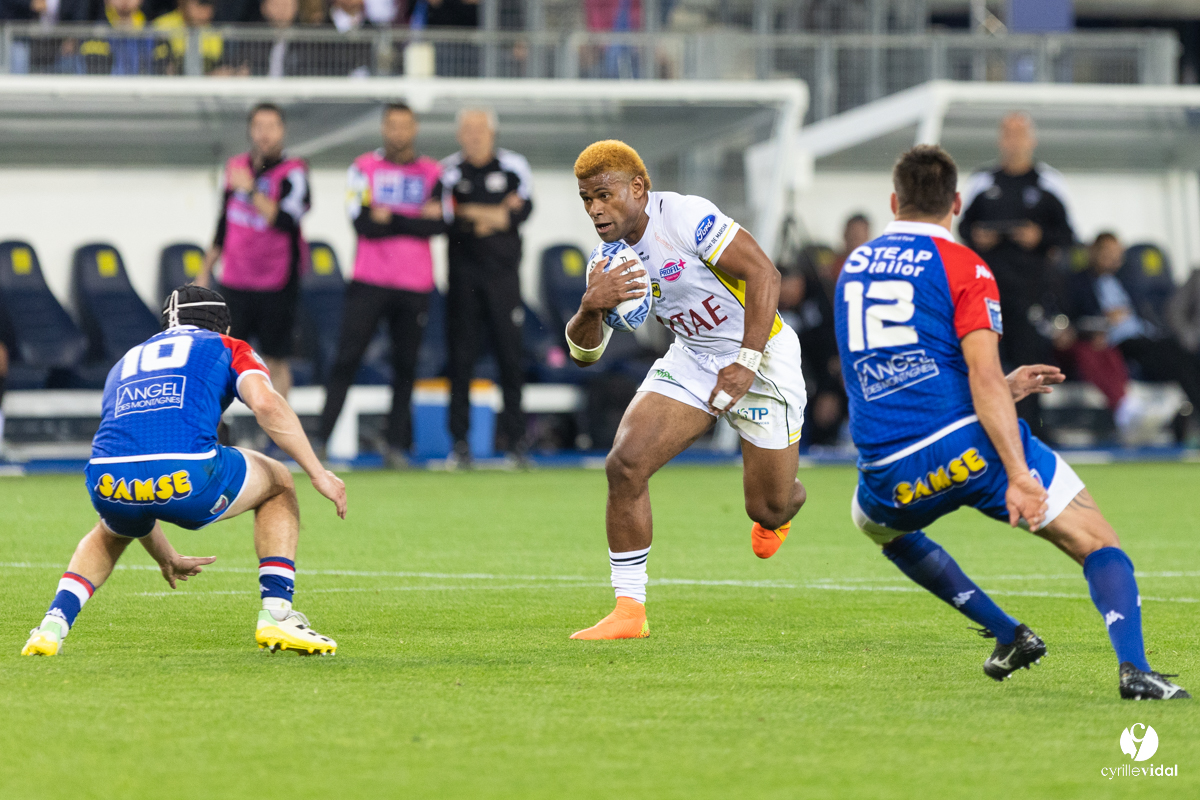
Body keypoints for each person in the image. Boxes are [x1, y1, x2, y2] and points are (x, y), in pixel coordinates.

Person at [835, 145, 1188, 700]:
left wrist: (1003, 387)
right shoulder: (965, 265)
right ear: (955, 203)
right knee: (1099, 544)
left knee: (872, 522)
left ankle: (1009, 635)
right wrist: (1019, 472)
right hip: (973, 451)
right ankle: (1135, 669)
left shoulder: (853, 267)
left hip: (888, 470)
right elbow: (978, 373)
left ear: (892, 201)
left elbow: (897, 373)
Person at [565, 140, 808, 640]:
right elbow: (584, 354)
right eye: (586, 199)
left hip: (763, 357)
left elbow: (766, 274)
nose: (594, 209)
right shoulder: (608, 261)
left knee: (767, 507)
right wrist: (591, 307)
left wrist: (746, 360)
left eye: (604, 195)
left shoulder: (686, 217)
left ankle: (786, 504)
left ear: (637, 187)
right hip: (694, 356)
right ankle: (629, 612)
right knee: (625, 464)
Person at [22, 286, 345, 658]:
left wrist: (165, 557)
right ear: (222, 325)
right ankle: (277, 613)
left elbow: (140, 462)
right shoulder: (228, 346)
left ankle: (51, 626)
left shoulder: (125, 360)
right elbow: (266, 404)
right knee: (278, 483)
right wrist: (318, 472)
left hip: (106, 477)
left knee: (109, 532)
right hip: (188, 474)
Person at [317, 103, 446, 467]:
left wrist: (390, 217)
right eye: (392, 125)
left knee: (406, 367)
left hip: (414, 284)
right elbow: (361, 223)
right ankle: (322, 441)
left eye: (405, 126)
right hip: (368, 280)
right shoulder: (363, 168)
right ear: (383, 128)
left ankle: (394, 446)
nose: (398, 133)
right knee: (346, 360)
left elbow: (439, 225)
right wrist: (415, 216)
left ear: (415, 128)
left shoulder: (433, 172)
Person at [959, 112, 1075, 436]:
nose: (1013, 141)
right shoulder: (983, 181)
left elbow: (1068, 237)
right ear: (1000, 139)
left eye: (1020, 134)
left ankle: (1029, 434)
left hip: (1031, 293)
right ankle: (987, 434)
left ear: (1031, 139)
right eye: (1007, 134)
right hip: (987, 293)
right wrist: (978, 236)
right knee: (986, 367)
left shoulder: (1049, 182)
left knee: (1029, 367)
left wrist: (1039, 237)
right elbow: (963, 227)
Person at [435, 109, 533, 468]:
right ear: (459, 135)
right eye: (468, 130)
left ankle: (517, 443)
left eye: (481, 129)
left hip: (504, 281)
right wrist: (493, 214)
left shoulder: (514, 167)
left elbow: (517, 216)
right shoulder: (447, 171)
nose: (474, 136)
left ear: (493, 133)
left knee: (511, 360)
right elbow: (446, 219)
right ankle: (460, 444)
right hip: (462, 283)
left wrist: (472, 213)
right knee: (460, 363)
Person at [200, 103, 310, 401]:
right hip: (235, 280)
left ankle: (277, 438)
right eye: (259, 126)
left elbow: (286, 220)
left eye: (271, 126)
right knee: (223, 359)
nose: (265, 134)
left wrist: (251, 190)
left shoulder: (294, 173)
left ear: (282, 130)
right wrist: (205, 268)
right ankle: (217, 431)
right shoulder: (235, 168)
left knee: (276, 358)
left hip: (277, 282)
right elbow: (223, 222)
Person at [1064, 232, 1200, 432]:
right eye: (1107, 253)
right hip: (1117, 340)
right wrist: (1104, 320)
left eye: (1117, 253)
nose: (1113, 258)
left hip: (1145, 336)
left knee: (1184, 355)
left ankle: (1188, 415)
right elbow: (1075, 320)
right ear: (1093, 252)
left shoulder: (1126, 280)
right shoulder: (1079, 283)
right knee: (1178, 362)